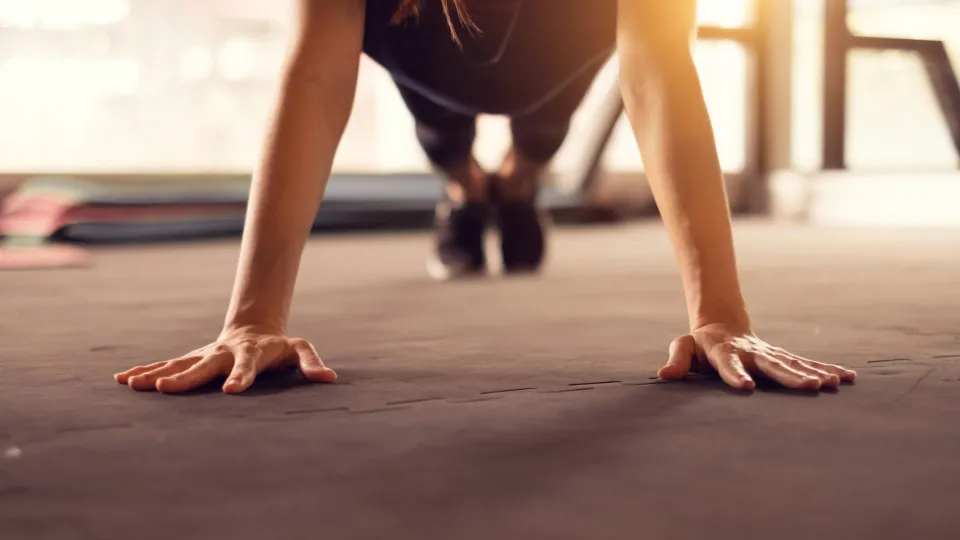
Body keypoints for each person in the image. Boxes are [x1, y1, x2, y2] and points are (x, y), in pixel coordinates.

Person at [114, 0, 857, 394]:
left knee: (541, 130)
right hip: (423, 43)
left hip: (558, 46)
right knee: (444, 132)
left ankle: (519, 185)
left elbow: (658, 71)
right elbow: (315, 77)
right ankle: (467, 189)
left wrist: (721, 315)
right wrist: (252, 319)